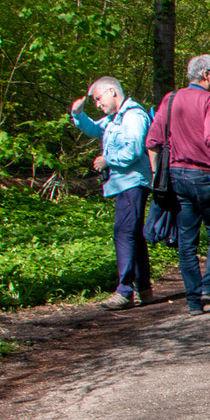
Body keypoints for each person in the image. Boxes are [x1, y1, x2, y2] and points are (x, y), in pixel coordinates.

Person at [145, 53, 210, 314]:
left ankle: (193, 301)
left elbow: (152, 140)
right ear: (206, 75)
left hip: (176, 176)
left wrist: (156, 174)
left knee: (187, 240)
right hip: (205, 176)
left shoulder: (171, 98)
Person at [68, 76, 153, 310]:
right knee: (133, 235)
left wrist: (108, 160)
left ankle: (125, 291)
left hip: (132, 183)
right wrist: (78, 115)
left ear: (112, 92)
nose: (97, 104)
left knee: (123, 234)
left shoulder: (133, 116)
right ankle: (144, 289)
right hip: (123, 184)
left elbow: (134, 149)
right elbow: (95, 130)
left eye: (98, 98)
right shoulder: (115, 118)